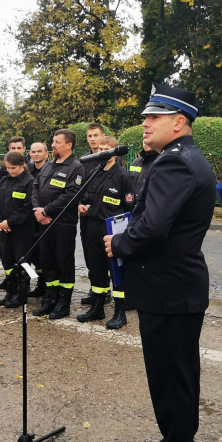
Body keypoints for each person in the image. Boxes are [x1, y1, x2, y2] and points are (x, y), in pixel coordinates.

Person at [103, 83, 216, 442]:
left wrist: (120, 243)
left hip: (170, 291)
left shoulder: (176, 164)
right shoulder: (176, 159)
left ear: (179, 121)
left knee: (172, 381)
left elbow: (152, 226)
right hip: (171, 288)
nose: (145, 124)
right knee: (175, 377)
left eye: (154, 117)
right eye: (145, 117)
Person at [76, 135, 135, 329]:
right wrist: (81, 206)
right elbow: (83, 195)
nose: (101, 151)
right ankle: (98, 307)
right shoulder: (94, 172)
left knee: (116, 271)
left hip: (111, 230)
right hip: (91, 227)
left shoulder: (123, 176)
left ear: (114, 153)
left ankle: (119, 312)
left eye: (106, 148)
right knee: (96, 269)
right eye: (99, 148)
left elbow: (128, 207)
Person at [31, 129, 84, 319]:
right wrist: (38, 210)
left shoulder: (76, 168)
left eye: (56, 142)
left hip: (62, 224)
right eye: (53, 141)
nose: (52, 145)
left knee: (64, 263)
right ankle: (50, 298)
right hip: (44, 222)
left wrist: (47, 211)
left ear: (68, 145)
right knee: (47, 261)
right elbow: (36, 187)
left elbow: (70, 195)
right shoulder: (49, 165)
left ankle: (64, 303)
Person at [0, 151, 36, 307]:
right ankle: (10, 291)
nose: (10, 171)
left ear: (22, 165)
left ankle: (21, 295)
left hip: (22, 230)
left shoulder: (30, 182)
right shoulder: (3, 180)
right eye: (8, 167)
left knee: (22, 262)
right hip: (4, 229)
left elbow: (28, 207)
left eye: (13, 168)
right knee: (6, 259)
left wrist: (10, 222)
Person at [79, 123, 105, 306]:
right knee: (89, 254)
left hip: (102, 215)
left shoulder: (110, 158)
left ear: (102, 136)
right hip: (85, 215)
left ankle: (106, 290)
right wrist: (79, 204)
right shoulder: (84, 160)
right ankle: (94, 287)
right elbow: (79, 187)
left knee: (104, 254)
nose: (93, 139)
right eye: (90, 136)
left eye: (96, 135)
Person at [25, 142, 49, 297]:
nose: (37, 154)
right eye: (34, 152)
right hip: (28, 220)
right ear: (30, 154)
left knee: (45, 254)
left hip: (46, 218)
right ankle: (38, 282)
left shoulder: (51, 170)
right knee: (31, 255)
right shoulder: (27, 171)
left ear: (46, 153)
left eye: (40, 151)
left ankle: (47, 285)